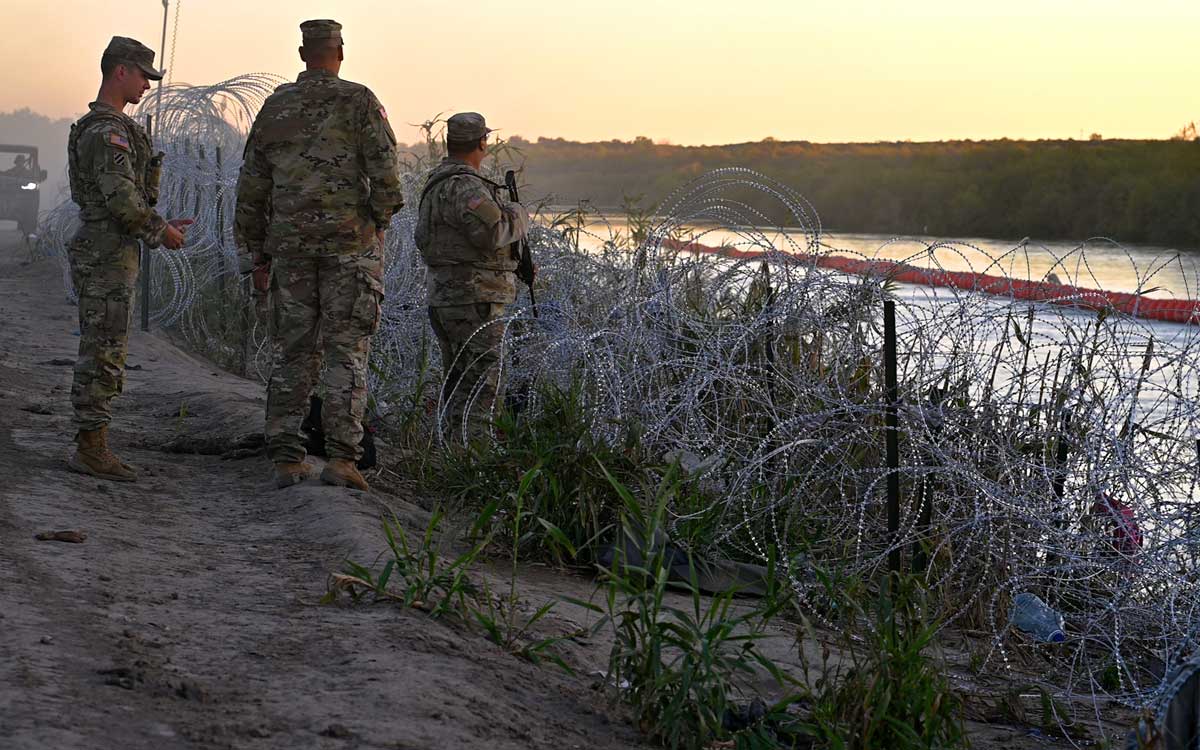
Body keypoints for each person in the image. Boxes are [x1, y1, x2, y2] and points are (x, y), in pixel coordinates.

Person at [235, 19, 403, 492]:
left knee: (293, 353)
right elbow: (387, 176)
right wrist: (377, 224)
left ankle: (287, 457)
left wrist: (256, 251)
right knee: (345, 352)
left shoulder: (275, 107)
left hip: (289, 248)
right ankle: (342, 460)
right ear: (340, 52)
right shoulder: (358, 101)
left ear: (302, 52)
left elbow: (252, 186)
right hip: (349, 248)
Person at [65, 36, 192, 482]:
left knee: (106, 343)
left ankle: (93, 441)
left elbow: (125, 197)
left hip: (110, 246)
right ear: (120, 71)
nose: (146, 86)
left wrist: (160, 221)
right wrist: (161, 232)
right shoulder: (107, 132)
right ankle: (90, 447)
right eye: (142, 76)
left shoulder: (109, 127)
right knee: (103, 348)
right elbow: (120, 200)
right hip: (106, 249)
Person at [414, 112, 531, 443]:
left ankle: (452, 449)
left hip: (448, 297)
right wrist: (519, 214)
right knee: (482, 380)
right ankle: (473, 456)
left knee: (461, 378)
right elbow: (494, 231)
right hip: (474, 298)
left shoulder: (436, 182)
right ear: (482, 143)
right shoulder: (465, 186)